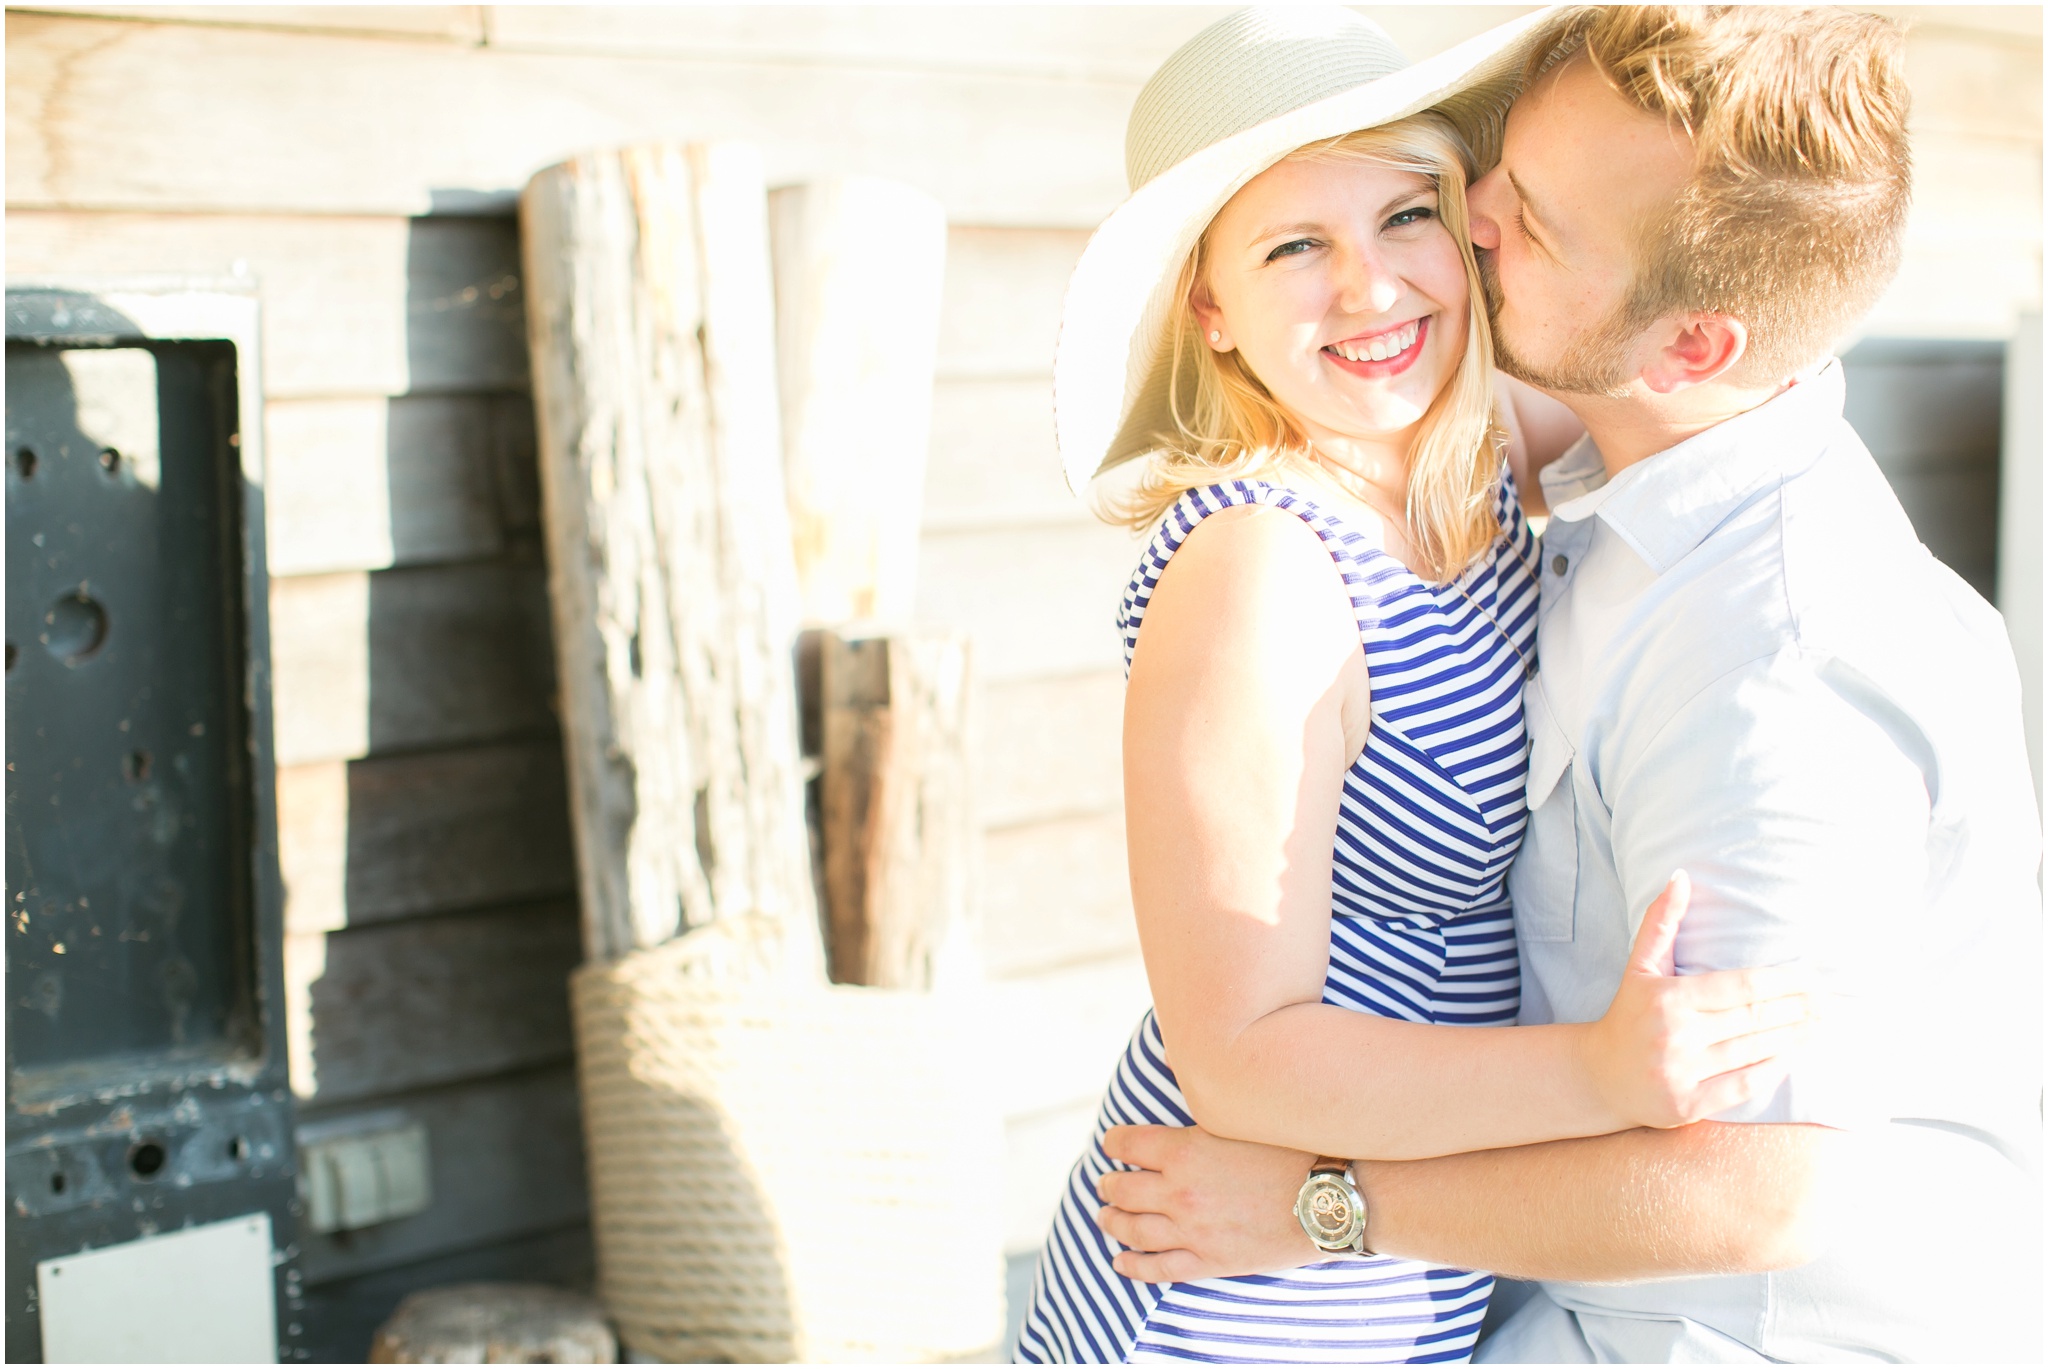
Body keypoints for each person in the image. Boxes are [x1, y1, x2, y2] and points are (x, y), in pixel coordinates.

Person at [1090, 7, 2044, 1363]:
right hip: (1299, 1278)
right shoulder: (1602, 438)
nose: (1471, 218)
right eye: (1486, 165)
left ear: (1696, 348)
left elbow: (1753, 1190)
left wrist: (1329, 1207)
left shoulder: (1777, 669)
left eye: (1520, 216)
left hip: (1691, 1332)